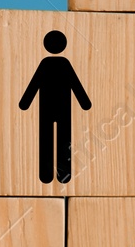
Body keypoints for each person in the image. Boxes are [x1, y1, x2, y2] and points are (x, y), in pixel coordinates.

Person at [18, 30, 92, 184]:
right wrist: (85, 103)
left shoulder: (46, 64)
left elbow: (34, 85)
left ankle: (46, 175)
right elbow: (76, 85)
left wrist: (25, 103)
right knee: (64, 142)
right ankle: (63, 175)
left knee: (47, 141)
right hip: (63, 109)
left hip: (47, 108)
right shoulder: (63, 64)